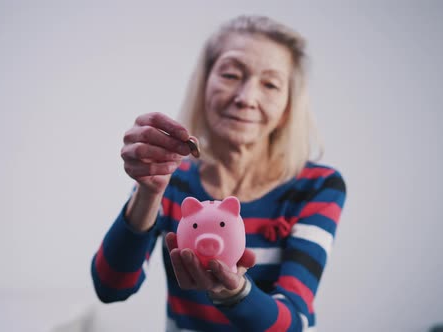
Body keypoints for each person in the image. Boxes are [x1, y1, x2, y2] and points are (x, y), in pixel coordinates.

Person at [91, 15, 347, 331]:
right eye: (230, 74)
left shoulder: (317, 186)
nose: (246, 98)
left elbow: (295, 321)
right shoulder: (172, 178)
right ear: (205, 84)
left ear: (288, 107)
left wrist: (235, 294)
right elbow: (111, 287)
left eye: (270, 84)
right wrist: (148, 191)